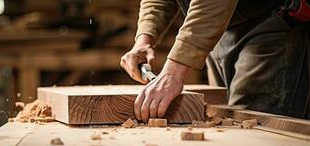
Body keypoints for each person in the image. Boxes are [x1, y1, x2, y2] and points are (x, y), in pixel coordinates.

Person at [120, 0, 310, 122]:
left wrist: (173, 72)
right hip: (217, 27)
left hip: (269, 21)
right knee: (225, 118)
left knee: (253, 128)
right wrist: (145, 38)